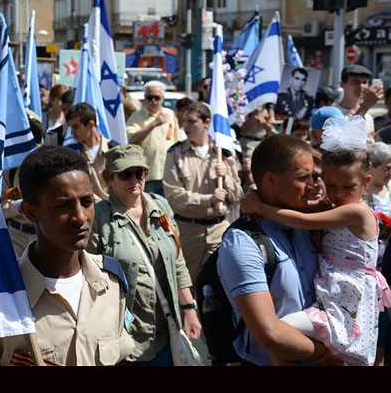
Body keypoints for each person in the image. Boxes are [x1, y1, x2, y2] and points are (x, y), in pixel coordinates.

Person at [0, 146, 134, 366]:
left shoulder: (111, 283)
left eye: (87, 202)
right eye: (63, 206)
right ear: (31, 212)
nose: (80, 217)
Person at [240, 116, 391, 366]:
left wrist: (260, 206)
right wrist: (259, 193)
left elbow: (301, 220)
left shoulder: (358, 212)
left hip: (347, 299)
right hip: (333, 293)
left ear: (365, 183)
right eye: (331, 185)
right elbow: (299, 206)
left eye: (348, 186)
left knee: (282, 332)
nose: (339, 193)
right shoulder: (335, 205)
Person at [217, 133, 344, 366]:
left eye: (315, 176)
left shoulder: (309, 220)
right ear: (270, 180)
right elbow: (269, 333)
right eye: (302, 178)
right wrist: (325, 355)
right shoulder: (243, 242)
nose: (313, 185)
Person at [88, 144, 200, 365]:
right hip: (126, 333)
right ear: (110, 179)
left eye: (139, 173)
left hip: (166, 327)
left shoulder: (161, 206)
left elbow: (177, 260)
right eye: (126, 174)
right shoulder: (99, 218)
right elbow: (90, 276)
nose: (134, 180)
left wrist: (189, 308)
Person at [162, 101, 242, 284]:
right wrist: (209, 199)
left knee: (219, 284)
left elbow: (237, 195)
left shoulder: (222, 153)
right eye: (184, 121)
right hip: (189, 231)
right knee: (187, 285)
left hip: (218, 229)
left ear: (207, 123)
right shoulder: (176, 154)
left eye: (191, 121)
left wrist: (226, 178)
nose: (185, 126)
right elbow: (174, 196)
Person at [126, 81, 180, 196]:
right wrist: (153, 124)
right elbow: (131, 139)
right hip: (147, 174)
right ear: (145, 98)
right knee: (151, 209)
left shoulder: (170, 114)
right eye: (150, 98)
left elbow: (177, 141)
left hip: (168, 174)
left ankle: (165, 216)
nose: (153, 101)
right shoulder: (137, 117)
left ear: (163, 98)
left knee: (166, 209)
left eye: (157, 97)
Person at [1, 115, 43, 258]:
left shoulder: (51, 168)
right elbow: (0, 209)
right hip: (16, 236)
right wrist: (20, 206)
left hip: (42, 236)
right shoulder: (10, 168)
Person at [367, 142, 391, 365]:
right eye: (386, 168)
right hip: (371, 266)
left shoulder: (390, 189)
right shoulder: (365, 193)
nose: (389, 172)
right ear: (372, 168)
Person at [66, 102, 118, 202]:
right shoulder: (73, 154)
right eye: (71, 128)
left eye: (76, 127)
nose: (72, 133)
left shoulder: (114, 149)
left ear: (91, 124)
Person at [337, 64, 384, 137]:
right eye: (355, 82)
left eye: (364, 82)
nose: (361, 86)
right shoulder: (333, 114)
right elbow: (344, 141)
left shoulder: (368, 117)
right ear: (342, 84)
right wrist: (365, 105)